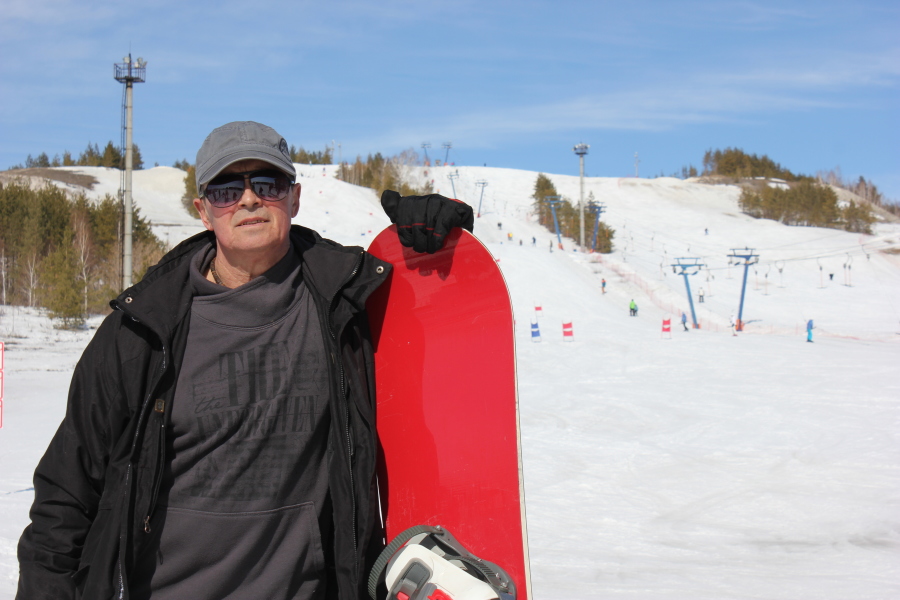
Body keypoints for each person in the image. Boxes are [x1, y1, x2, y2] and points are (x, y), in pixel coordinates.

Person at [16, 121, 474, 600]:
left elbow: (437, 331)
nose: (249, 199)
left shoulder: (343, 304)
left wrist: (433, 246)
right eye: (227, 189)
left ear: (294, 199)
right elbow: (65, 496)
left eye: (268, 184)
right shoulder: (140, 332)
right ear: (203, 211)